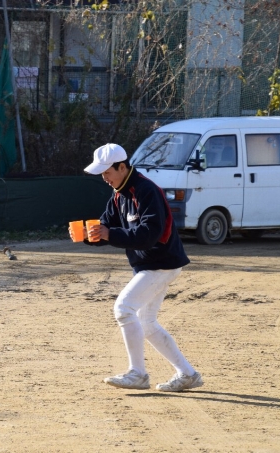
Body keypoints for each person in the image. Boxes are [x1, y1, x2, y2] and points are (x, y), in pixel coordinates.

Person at [72, 143, 203, 392]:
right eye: (102, 173)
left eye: (107, 172)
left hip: (161, 263)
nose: (104, 178)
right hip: (150, 265)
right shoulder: (118, 193)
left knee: (123, 309)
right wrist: (89, 235)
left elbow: (148, 235)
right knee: (147, 322)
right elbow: (106, 226)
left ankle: (138, 374)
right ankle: (188, 374)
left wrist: (109, 233)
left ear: (122, 167)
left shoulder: (146, 190)